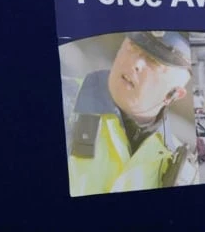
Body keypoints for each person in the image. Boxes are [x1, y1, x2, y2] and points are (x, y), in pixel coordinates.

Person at [67, 31, 198, 196]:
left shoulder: (183, 173)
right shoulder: (63, 101)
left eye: (154, 61)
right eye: (133, 46)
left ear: (175, 94)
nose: (136, 63)